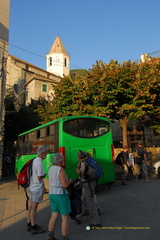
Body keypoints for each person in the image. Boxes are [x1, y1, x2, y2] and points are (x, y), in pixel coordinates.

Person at [48, 153, 73, 240]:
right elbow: (65, 185)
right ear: (59, 160)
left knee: (54, 215)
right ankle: (65, 237)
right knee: (65, 217)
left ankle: (50, 236)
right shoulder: (61, 170)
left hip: (52, 193)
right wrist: (70, 181)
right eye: (62, 158)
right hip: (60, 194)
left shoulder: (50, 169)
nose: (63, 160)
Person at [74, 151, 101, 227]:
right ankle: (79, 217)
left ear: (79, 157)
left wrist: (78, 171)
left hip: (88, 184)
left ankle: (96, 221)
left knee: (90, 202)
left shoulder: (83, 163)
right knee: (84, 200)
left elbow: (84, 174)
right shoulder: (89, 160)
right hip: (92, 182)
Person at [27, 146, 48, 234]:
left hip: (31, 186)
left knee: (30, 206)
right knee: (34, 208)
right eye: (46, 153)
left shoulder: (34, 160)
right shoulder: (39, 162)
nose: (46, 155)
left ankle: (29, 223)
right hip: (36, 187)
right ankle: (34, 227)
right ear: (42, 154)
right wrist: (44, 174)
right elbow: (39, 176)